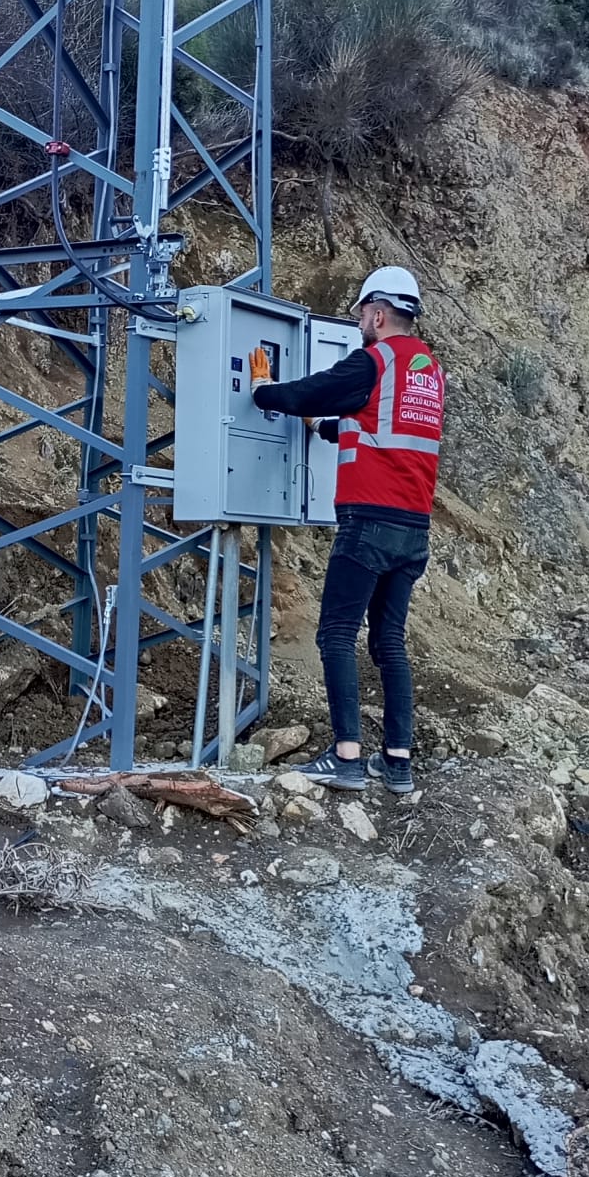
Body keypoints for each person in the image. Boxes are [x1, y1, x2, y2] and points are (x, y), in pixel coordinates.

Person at [249, 265, 445, 795]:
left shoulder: (372, 359)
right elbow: (375, 427)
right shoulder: (427, 370)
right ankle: (397, 764)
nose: (360, 321)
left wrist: (265, 390)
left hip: (368, 522)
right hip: (413, 528)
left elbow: (308, 392)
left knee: (336, 634)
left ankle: (346, 758)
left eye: (362, 313)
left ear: (378, 314)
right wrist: (320, 426)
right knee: (389, 642)